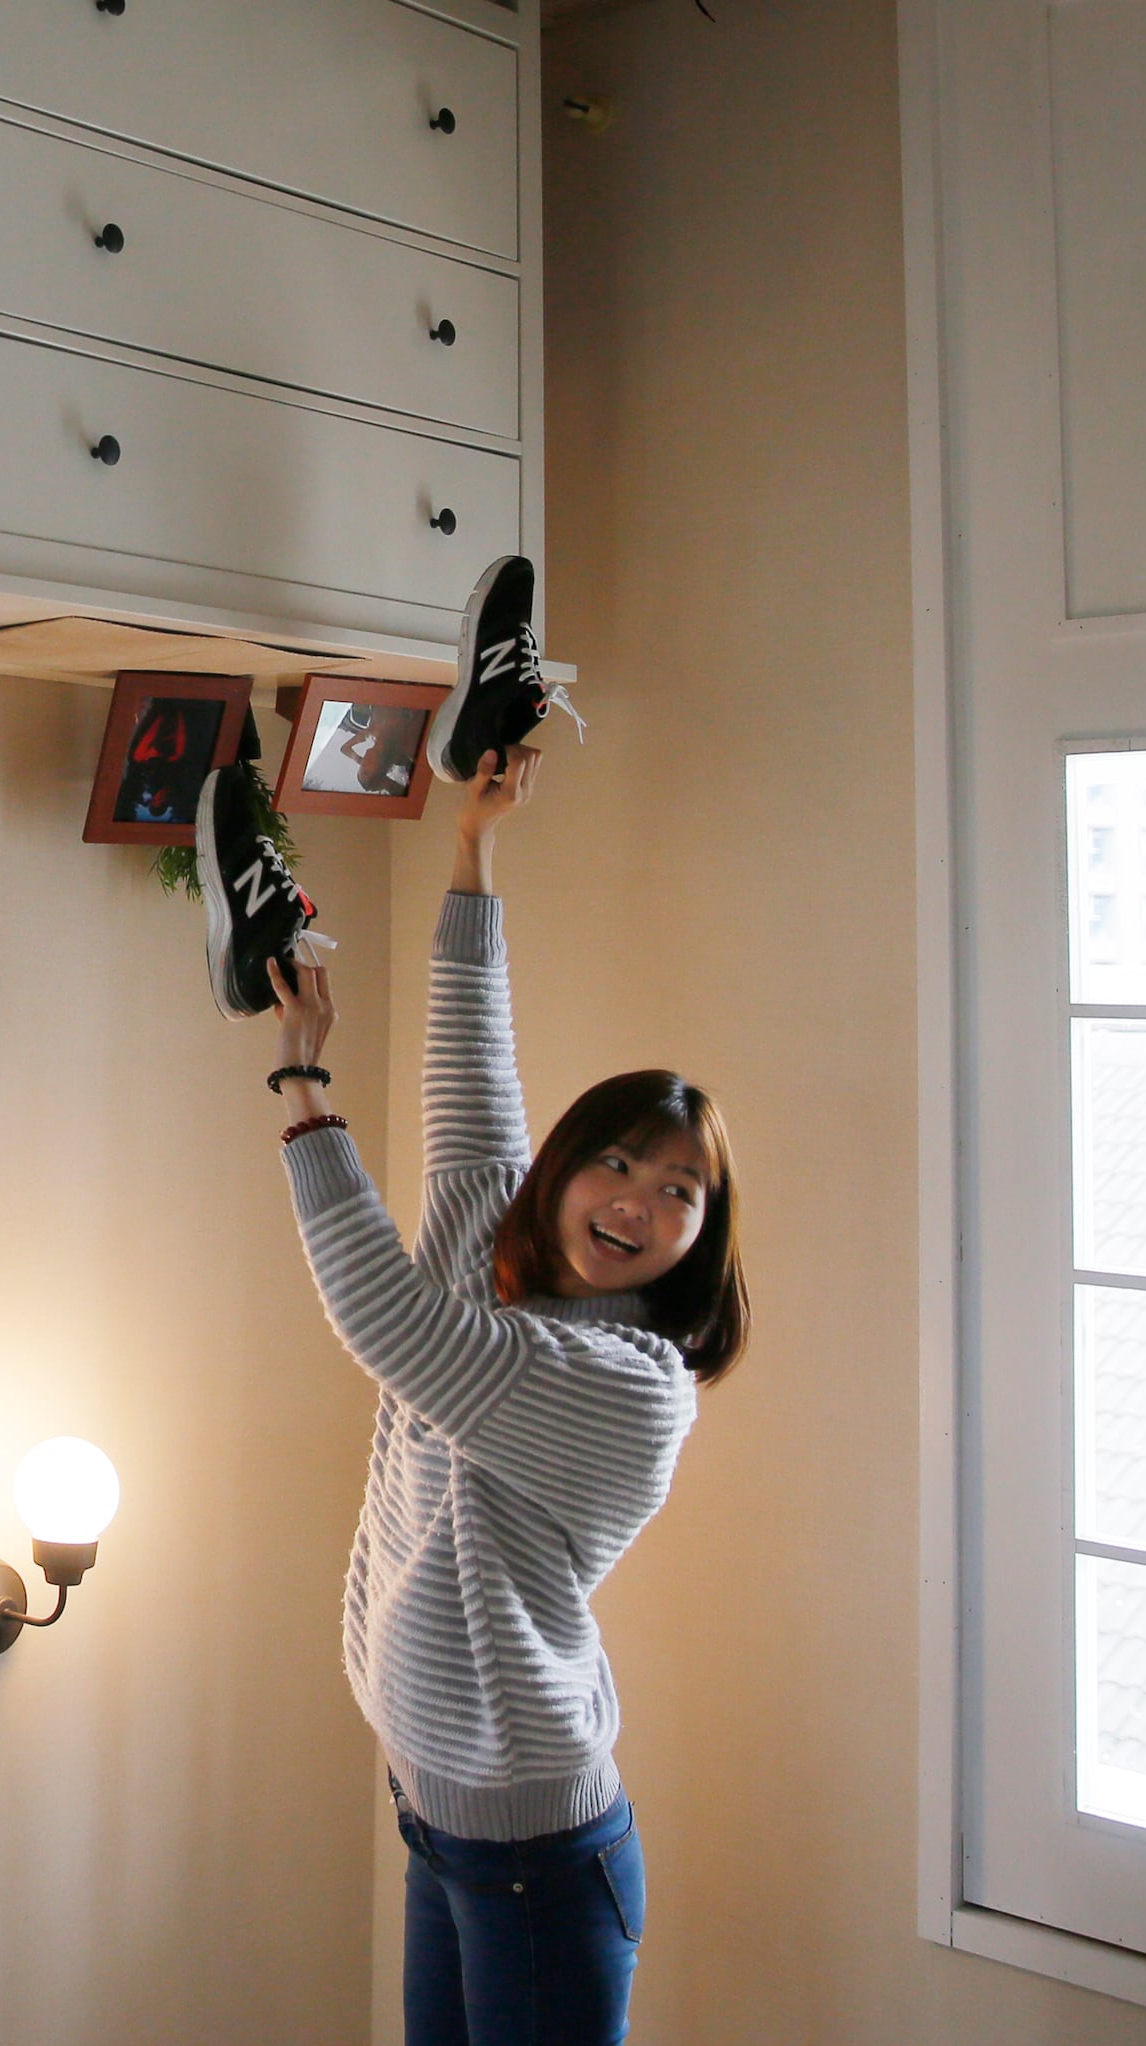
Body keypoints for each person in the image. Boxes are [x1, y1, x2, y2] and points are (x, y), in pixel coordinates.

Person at [259, 743, 749, 2046]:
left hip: (539, 1855)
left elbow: (391, 1326)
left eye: (680, 1192)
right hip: (436, 1816)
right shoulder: (497, 1238)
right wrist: (475, 843)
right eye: (621, 1161)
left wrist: (304, 1093)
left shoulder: (632, 1389)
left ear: (702, 1235)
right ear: (570, 1163)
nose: (639, 1201)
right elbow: (470, 1057)